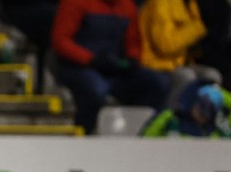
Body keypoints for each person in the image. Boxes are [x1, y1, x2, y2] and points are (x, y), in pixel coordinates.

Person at [52, 0, 170, 134]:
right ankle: (83, 134)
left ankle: (140, 132)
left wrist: (133, 58)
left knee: (156, 83)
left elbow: (134, 42)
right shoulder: (75, 3)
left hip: (114, 69)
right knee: (96, 90)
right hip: (79, 67)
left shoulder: (127, 6)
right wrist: (91, 59)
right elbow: (61, 41)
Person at [141, 79, 231, 135]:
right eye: (200, 108)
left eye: (206, 114)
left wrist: (218, 93)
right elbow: (146, 138)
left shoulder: (217, 129)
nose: (201, 115)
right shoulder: (171, 117)